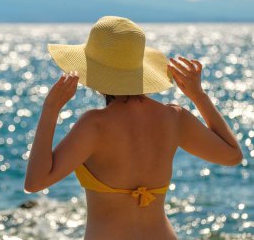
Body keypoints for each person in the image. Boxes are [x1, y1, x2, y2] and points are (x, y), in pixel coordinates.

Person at [24, 16, 243, 239]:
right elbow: (232, 156)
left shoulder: (95, 125)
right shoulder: (173, 117)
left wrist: (51, 109)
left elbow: (35, 182)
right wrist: (198, 95)